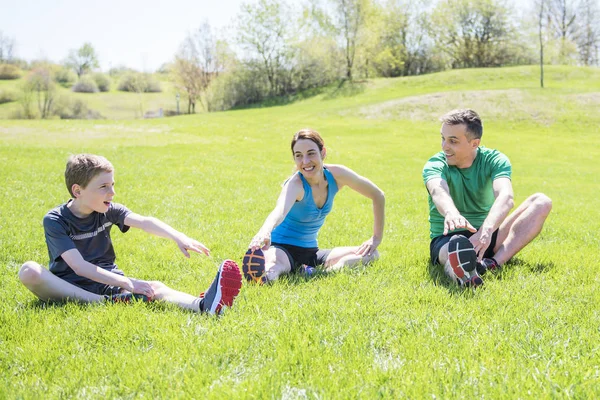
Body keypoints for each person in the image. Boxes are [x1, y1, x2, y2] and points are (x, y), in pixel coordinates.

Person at [18, 154, 242, 315]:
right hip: (67, 286)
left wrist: (178, 236)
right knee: (29, 271)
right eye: (104, 186)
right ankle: (103, 302)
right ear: (78, 191)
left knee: (153, 288)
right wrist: (129, 283)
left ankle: (203, 306)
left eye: (113, 184)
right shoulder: (55, 220)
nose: (112, 192)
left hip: (107, 282)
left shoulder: (107, 210)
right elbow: (80, 267)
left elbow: (144, 222)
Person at [423, 109, 552, 287]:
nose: (445, 146)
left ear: (474, 143)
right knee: (456, 248)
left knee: (541, 202)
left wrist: (487, 230)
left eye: (453, 141)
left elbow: (505, 197)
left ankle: (492, 263)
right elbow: (438, 191)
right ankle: (463, 272)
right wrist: (451, 213)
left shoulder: (494, 160)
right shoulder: (436, 164)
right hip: (448, 239)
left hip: (487, 233)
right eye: (443, 138)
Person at [242, 128, 385, 283]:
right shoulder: (295, 185)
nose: (305, 162)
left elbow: (378, 195)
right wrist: (264, 232)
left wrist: (376, 238)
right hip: (281, 248)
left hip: (311, 252)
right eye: (299, 156)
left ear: (323, 152)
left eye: (311, 153)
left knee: (371, 254)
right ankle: (265, 275)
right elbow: (279, 211)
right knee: (273, 267)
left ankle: (318, 271)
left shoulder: (337, 175)